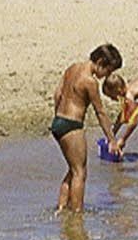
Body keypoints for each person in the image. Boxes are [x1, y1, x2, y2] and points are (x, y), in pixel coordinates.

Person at [51, 44, 122, 214]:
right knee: (80, 173)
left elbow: (57, 94)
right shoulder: (90, 82)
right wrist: (112, 139)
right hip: (72, 125)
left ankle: (61, 209)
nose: (107, 76)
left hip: (58, 121)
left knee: (72, 170)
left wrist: (59, 115)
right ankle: (77, 214)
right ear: (100, 62)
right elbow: (101, 113)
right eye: (108, 70)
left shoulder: (72, 68)